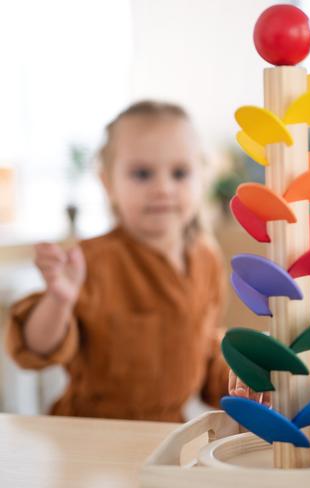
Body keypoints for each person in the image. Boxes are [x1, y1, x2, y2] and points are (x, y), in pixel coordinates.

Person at [6, 100, 229, 421]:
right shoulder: (92, 261)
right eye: (142, 174)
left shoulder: (207, 258)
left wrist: (246, 383)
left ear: (202, 179)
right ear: (108, 183)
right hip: (91, 431)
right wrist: (58, 300)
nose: (163, 188)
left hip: (165, 431)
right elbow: (36, 348)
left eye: (180, 173)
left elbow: (205, 347)